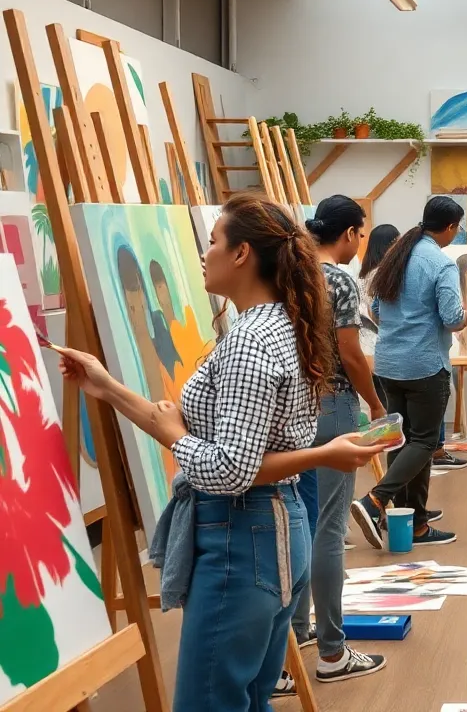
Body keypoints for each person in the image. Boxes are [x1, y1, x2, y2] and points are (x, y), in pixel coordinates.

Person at [58, 192, 386, 712]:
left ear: (242, 255)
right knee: (247, 699)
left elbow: (230, 468)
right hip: (274, 529)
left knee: (209, 702)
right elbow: (220, 441)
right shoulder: (283, 325)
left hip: (241, 539)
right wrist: (108, 387)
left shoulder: (249, 343)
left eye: (212, 242)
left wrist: (173, 436)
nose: (203, 254)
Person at [287, 195, 387, 684]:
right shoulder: (340, 279)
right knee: (328, 528)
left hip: (290, 408)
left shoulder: (288, 270)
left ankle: (295, 635)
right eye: (360, 234)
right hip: (334, 406)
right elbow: (350, 351)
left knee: (295, 522)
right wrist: (375, 402)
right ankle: (332, 652)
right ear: (347, 234)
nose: (359, 244)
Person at [350, 196, 467, 549]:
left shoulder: (397, 254)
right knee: (423, 441)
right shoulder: (440, 263)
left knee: (403, 440)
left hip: (390, 363)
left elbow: (376, 309)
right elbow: (452, 319)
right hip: (424, 364)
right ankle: (375, 500)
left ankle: (413, 521)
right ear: (450, 227)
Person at [357, 224, 400, 357]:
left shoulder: (364, 273)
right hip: (382, 339)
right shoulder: (383, 274)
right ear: (390, 245)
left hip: (367, 339)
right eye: (398, 242)